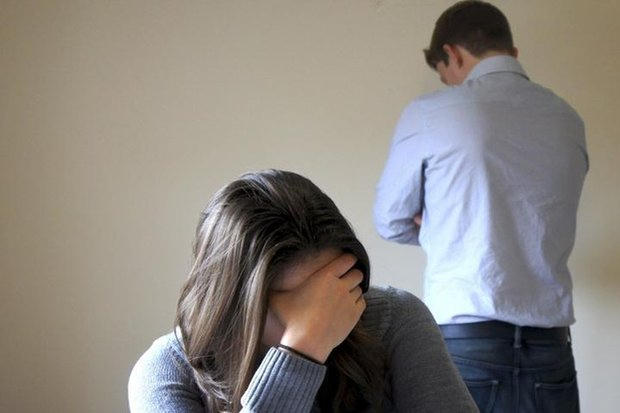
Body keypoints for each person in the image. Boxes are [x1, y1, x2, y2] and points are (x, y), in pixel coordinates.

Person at [373, 1, 587, 412]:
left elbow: (389, 219)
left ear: (452, 54)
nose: (450, 84)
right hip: (551, 348)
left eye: (446, 75)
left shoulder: (430, 113)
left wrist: (447, 224)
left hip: (465, 344)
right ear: (513, 53)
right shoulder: (568, 119)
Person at [128, 169, 476, 412]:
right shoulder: (165, 372)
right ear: (231, 303)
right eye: (300, 302)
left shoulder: (396, 319)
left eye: (338, 286)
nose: (327, 312)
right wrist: (301, 353)